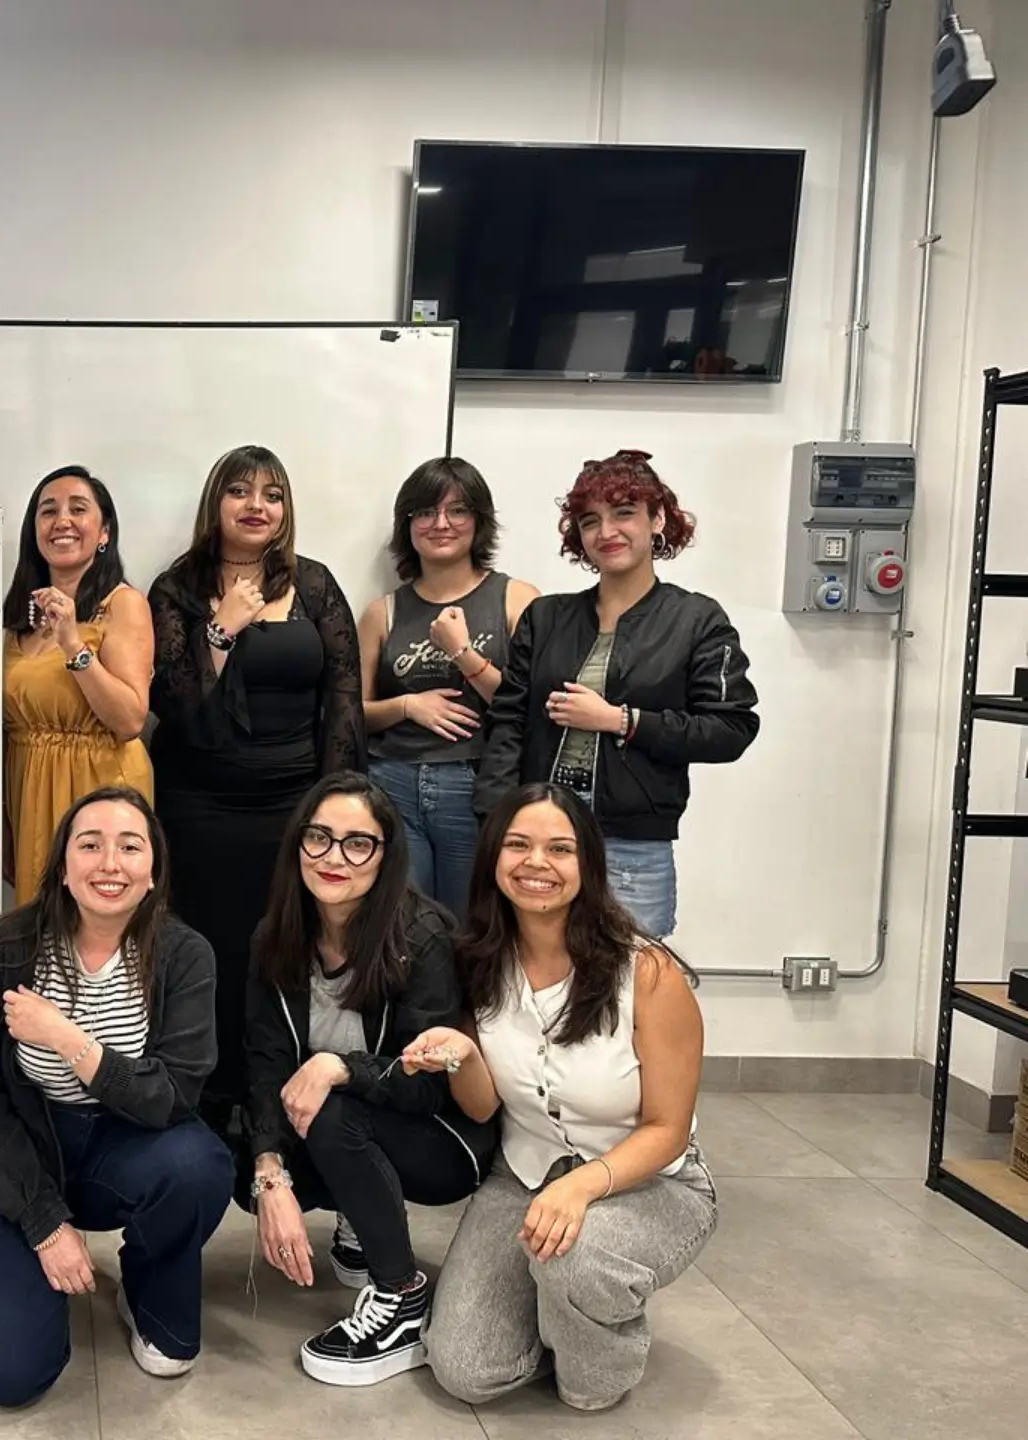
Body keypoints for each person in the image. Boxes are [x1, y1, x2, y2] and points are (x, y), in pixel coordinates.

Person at [0, 787, 234, 1407]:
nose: (109, 864)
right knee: (7, 1374)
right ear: (64, 867)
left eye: (130, 847)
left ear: (153, 870)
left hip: (119, 1145)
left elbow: (171, 1098)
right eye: (90, 845)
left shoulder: (184, 955)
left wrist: (70, 1041)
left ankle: (146, 1284)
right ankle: (24, 1264)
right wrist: (45, 1224)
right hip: (9, 1154)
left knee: (198, 1165)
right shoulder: (9, 947)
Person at [421, 782, 715, 1413]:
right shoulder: (477, 963)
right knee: (465, 1371)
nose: (537, 863)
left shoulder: (647, 973)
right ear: (493, 858)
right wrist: (460, 1053)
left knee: (575, 1270)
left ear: (588, 865)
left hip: (649, 1182)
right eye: (518, 845)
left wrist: (580, 1188)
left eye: (560, 849)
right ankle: (560, 1302)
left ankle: (593, 1324)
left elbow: (668, 1129)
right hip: (524, 1174)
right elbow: (481, 1108)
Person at [244, 772, 497, 1387]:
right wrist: (269, 1175)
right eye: (319, 837)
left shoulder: (422, 936)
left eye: (358, 843)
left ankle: (402, 1297)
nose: (334, 858)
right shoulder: (276, 937)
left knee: (334, 1110)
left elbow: (429, 1085)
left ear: (386, 856)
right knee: (240, 1154)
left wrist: (339, 1066)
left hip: (441, 1139)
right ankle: (360, 1210)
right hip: (352, 1121)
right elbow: (265, 1063)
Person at [148, 444, 365, 1133]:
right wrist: (221, 630)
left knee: (281, 951)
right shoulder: (177, 587)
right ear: (216, 502)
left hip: (290, 809)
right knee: (205, 950)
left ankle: (273, 1103)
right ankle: (208, 1101)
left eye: (272, 494)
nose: (256, 506)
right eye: (239, 491)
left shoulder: (315, 584)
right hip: (199, 809)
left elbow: (344, 698)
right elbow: (172, 703)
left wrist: (336, 804)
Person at [474, 450, 758, 937]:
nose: (606, 531)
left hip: (633, 845)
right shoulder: (546, 617)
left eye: (624, 513)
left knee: (632, 976)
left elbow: (731, 728)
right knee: (530, 970)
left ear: (658, 520)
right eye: (590, 521)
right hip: (540, 835)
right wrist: (498, 821)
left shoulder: (696, 620)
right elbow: (508, 723)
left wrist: (622, 720)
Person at [358, 457, 538, 921]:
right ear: (407, 525)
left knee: (474, 923)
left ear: (479, 521)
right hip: (393, 782)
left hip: (478, 785)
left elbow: (532, 707)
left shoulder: (516, 598)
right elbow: (353, 712)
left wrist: (463, 654)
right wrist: (407, 706)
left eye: (458, 511)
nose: (441, 524)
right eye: (425, 512)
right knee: (405, 925)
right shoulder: (383, 612)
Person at [2, 465, 154, 905]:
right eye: (48, 511)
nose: (62, 521)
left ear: (104, 532)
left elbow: (129, 719)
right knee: (42, 927)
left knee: (98, 921)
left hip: (99, 787)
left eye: (78, 509)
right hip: (30, 789)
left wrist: (72, 643)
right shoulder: (18, 618)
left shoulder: (122, 604)